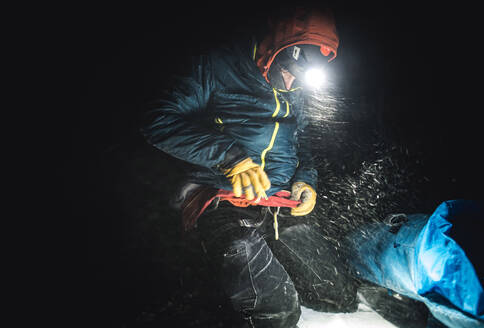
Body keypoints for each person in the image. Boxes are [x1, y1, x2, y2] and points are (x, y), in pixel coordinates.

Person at [141, 6, 357, 327]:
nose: (292, 84)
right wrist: (229, 157)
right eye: (289, 72)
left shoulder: (300, 88)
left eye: (300, 79)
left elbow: (301, 140)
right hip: (222, 201)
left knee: (338, 294)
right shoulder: (217, 65)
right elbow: (157, 121)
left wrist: (305, 180)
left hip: (278, 206)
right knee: (275, 309)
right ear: (276, 49)